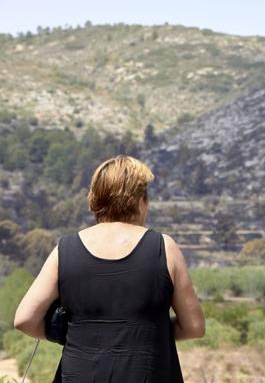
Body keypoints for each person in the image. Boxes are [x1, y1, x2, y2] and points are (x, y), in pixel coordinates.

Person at [14, 155, 204, 383]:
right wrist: (149, 334)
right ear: (141, 201)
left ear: (94, 198)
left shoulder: (66, 249)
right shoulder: (164, 248)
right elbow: (194, 327)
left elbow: (24, 319)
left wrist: (73, 333)